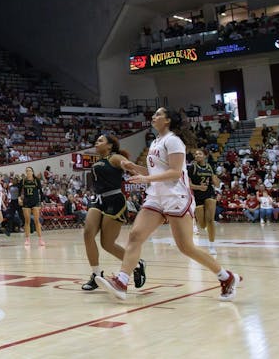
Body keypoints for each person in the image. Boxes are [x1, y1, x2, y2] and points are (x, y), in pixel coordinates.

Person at [96, 107, 241, 302]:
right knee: (135, 235)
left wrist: (146, 179)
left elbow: (174, 172)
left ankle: (226, 276)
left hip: (176, 195)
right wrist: (135, 168)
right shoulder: (156, 141)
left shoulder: (173, 140)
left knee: (186, 247)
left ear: (168, 120)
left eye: (158, 114)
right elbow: (154, 172)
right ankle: (122, 282)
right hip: (156, 195)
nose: (153, 116)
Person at [81, 135, 145, 291]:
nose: (97, 142)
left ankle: (137, 264)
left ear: (109, 146)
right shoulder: (98, 161)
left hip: (114, 199)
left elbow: (132, 167)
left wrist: (144, 172)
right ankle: (96, 275)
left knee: (107, 244)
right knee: (88, 233)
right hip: (98, 199)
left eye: (101, 140)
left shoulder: (115, 157)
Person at [190, 149, 221, 255]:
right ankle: (208, 227)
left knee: (210, 220)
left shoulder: (210, 167)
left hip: (209, 193)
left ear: (205, 156)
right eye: (196, 154)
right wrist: (199, 187)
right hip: (197, 195)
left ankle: (212, 246)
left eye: (199, 154)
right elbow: (188, 184)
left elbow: (216, 184)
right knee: (203, 225)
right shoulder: (192, 167)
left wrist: (216, 179)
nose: (197, 155)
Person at [20, 167, 45, 247]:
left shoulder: (36, 180)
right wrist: (19, 198)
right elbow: (19, 190)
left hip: (35, 201)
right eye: (27, 171)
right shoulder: (23, 180)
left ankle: (40, 239)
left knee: (36, 221)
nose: (28, 172)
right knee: (27, 221)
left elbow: (41, 191)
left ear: (32, 172)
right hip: (26, 202)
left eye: (29, 170)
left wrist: (42, 201)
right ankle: (27, 239)